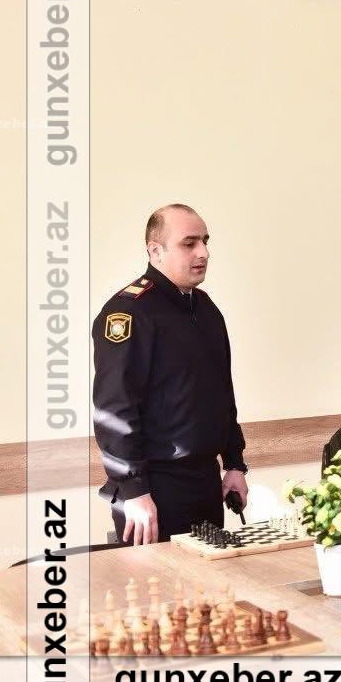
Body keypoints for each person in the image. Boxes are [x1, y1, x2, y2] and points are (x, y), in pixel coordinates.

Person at [92, 204, 248, 545]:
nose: (203, 252)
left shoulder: (206, 309)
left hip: (205, 483)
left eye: (205, 241)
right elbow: (114, 411)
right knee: (160, 582)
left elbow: (222, 395)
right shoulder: (129, 312)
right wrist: (134, 490)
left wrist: (234, 463)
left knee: (211, 580)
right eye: (189, 243)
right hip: (154, 489)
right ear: (155, 251)